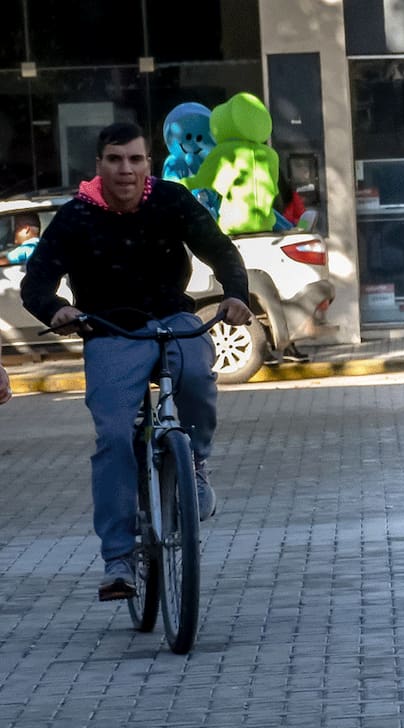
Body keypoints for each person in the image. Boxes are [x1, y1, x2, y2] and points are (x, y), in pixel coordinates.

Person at [21, 122, 253, 601]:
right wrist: (55, 309)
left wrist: (235, 295)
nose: (125, 169)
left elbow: (221, 251)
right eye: (115, 159)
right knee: (112, 438)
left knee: (196, 378)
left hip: (172, 318)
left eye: (135, 159)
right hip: (109, 329)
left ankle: (197, 463)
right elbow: (36, 282)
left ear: (148, 163)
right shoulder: (76, 216)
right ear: (99, 165)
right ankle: (119, 560)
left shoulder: (170, 201)